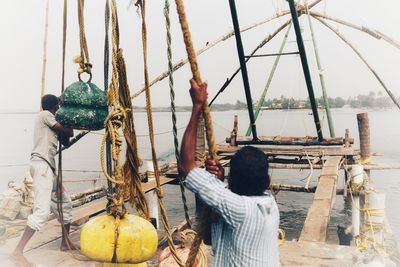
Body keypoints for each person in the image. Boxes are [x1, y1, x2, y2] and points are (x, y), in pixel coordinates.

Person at [179, 80, 280, 266]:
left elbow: (186, 166)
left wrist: (197, 107)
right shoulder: (269, 205)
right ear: (267, 182)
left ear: (231, 179)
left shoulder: (239, 209)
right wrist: (219, 182)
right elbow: (210, 239)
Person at [11, 94, 77, 265]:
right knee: (42, 211)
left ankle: (65, 242)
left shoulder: (52, 121)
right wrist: (68, 116)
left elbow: (66, 139)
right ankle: (17, 250)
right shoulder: (45, 114)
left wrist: (70, 126)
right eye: (59, 105)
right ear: (55, 105)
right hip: (42, 166)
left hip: (48, 167)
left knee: (65, 203)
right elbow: (67, 130)